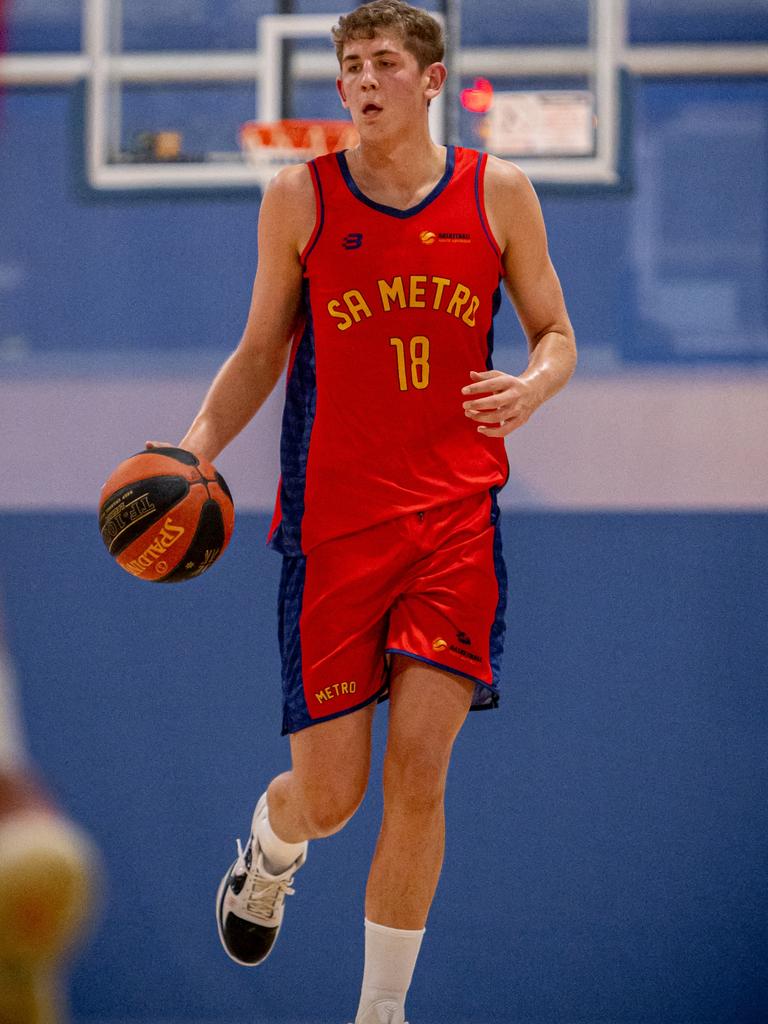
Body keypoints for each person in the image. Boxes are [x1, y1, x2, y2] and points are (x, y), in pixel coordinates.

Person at [149, 2, 576, 1021]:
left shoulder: (499, 192)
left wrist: (532, 386)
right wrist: (189, 452)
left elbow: (557, 331)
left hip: (453, 524)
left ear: (432, 82)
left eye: (385, 62)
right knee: (333, 799)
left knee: (419, 773)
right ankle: (272, 843)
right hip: (334, 532)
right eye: (350, 65)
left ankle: (380, 1011)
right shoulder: (299, 199)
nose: (364, 80)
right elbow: (260, 352)